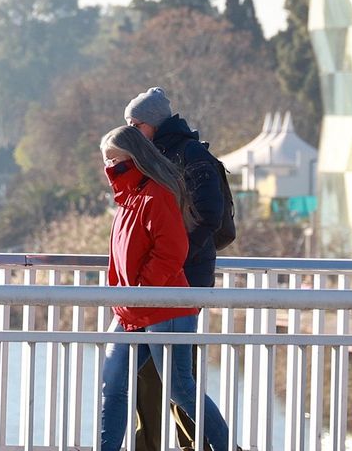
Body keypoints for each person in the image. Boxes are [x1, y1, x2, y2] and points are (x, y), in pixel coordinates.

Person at [124, 87, 232, 451]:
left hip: (181, 278)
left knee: (174, 375)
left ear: (153, 123)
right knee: (158, 373)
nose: (131, 130)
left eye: (135, 124)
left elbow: (209, 216)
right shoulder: (159, 155)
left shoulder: (190, 155)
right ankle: (164, 443)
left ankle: (196, 444)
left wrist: (171, 258)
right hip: (166, 278)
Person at [99, 125, 201, 451]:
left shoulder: (155, 194)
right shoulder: (126, 199)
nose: (110, 167)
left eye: (115, 159)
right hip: (131, 309)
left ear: (134, 156)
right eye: (106, 160)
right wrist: (125, 295)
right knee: (113, 385)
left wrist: (143, 289)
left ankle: (224, 443)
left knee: (180, 390)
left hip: (159, 307)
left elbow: (172, 250)